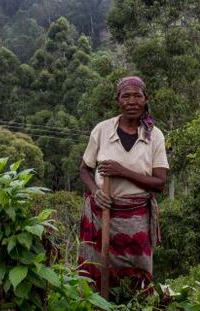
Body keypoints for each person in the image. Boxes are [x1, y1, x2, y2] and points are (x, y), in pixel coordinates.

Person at [78, 76, 169, 294]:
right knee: (96, 273)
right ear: (117, 100)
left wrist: (122, 171)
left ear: (145, 100)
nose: (131, 101)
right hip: (101, 214)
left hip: (136, 217)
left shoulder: (154, 135)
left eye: (137, 96)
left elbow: (159, 183)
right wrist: (96, 191)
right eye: (125, 96)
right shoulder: (102, 130)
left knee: (138, 277)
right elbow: (84, 168)